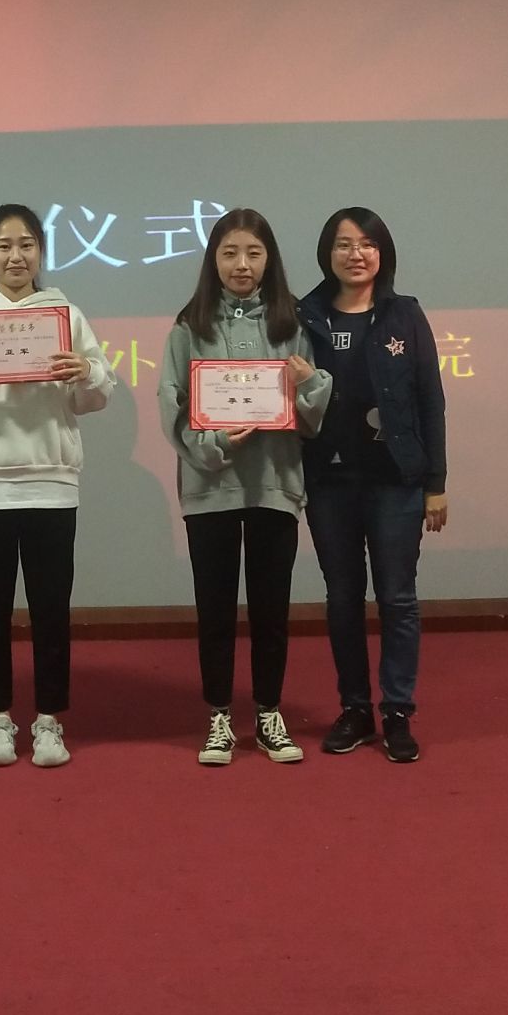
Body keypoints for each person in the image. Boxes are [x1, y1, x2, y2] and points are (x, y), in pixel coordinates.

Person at [0, 204, 113, 768]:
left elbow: (98, 392)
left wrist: (87, 373)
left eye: (26, 244)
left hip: (52, 481)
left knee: (52, 609)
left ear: (40, 251)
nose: (15, 256)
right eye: (4, 245)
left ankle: (50, 720)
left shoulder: (64, 313)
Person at [160, 209, 332, 767]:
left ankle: (268, 712)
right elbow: (172, 404)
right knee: (214, 610)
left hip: (274, 484)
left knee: (270, 610)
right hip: (210, 486)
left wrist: (313, 383)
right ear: (213, 259)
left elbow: (311, 416)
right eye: (230, 252)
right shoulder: (189, 326)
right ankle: (218, 715)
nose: (242, 264)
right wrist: (211, 444)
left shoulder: (291, 324)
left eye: (254, 253)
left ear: (269, 260)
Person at [297, 207, 449, 763]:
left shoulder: (404, 314)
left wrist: (436, 482)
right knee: (342, 598)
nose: (355, 254)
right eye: (343, 244)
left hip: (396, 481)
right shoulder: (305, 316)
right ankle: (356, 709)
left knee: (398, 598)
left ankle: (398, 712)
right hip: (329, 482)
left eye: (366, 243)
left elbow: (430, 401)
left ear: (382, 253)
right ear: (327, 253)